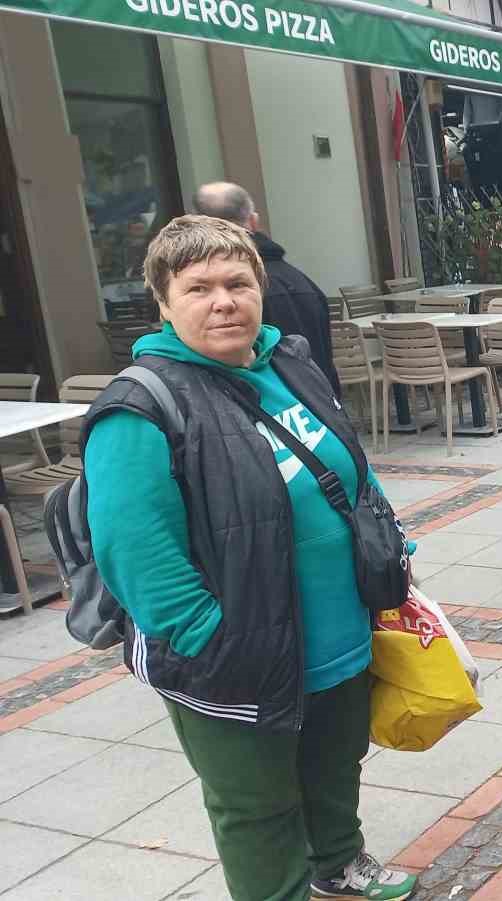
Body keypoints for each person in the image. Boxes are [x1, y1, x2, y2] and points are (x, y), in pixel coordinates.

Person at [82, 215, 415, 901]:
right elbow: (134, 550)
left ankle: (338, 862)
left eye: (237, 281)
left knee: (334, 765)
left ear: (260, 287)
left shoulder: (290, 361)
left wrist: (389, 542)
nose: (223, 300)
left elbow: (347, 460)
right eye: (198, 286)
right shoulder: (144, 405)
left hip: (337, 634)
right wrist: (212, 637)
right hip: (235, 657)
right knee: (256, 808)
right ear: (165, 302)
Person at [192, 182, 338, 392]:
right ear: (253, 221)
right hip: (316, 407)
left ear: (198, 226)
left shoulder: (224, 301)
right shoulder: (301, 281)